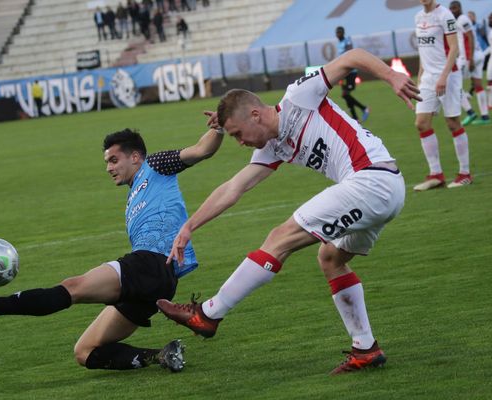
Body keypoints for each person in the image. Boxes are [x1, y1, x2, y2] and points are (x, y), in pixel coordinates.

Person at [156, 48, 421, 375]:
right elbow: (233, 188)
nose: (240, 143)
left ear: (255, 114)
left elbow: (351, 56)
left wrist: (391, 75)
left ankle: (208, 314)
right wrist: (189, 226)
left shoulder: (299, 96)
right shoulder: (273, 146)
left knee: (279, 237)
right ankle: (365, 348)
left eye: (238, 134)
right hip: (384, 190)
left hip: (372, 181)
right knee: (330, 259)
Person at [0, 126, 224, 372]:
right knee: (84, 351)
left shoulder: (155, 165)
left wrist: (219, 126)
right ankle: (162, 356)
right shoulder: (133, 197)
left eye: (113, 160)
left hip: (150, 264)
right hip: (159, 281)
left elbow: (203, 150)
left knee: (73, 287)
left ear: (135, 157)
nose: (109, 168)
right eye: (107, 162)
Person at [411, 0, 471, 191]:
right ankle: (436, 175)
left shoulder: (445, 15)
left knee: (453, 123)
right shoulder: (418, 17)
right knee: (421, 123)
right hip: (428, 78)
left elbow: (454, 48)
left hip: (449, 75)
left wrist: (443, 77)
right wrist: (420, 77)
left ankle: (465, 174)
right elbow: (423, 50)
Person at [450, 2, 489, 126]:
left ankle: (470, 112)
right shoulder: (460, 20)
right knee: (478, 85)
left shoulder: (462, 19)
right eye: (451, 8)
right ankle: (485, 116)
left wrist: (470, 58)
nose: (452, 10)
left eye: (455, 8)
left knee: (453, 85)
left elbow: (470, 37)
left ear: (460, 8)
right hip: (477, 55)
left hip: (468, 57)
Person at [335, 26, 369, 122]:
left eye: (339, 33)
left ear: (343, 33)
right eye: (337, 33)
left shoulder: (347, 41)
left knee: (346, 93)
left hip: (351, 71)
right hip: (344, 72)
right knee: (345, 95)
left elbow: (350, 52)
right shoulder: (339, 44)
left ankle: (363, 109)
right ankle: (355, 118)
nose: (338, 35)